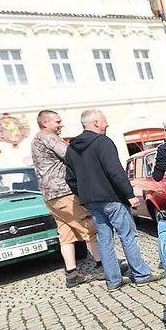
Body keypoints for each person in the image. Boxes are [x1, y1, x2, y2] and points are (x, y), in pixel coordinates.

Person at [65, 109, 163, 291]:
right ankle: (141, 274)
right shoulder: (102, 142)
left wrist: (85, 195)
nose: (107, 124)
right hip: (112, 198)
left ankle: (113, 280)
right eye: (104, 121)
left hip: (92, 201)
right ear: (95, 123)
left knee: (104, 239)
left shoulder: (71, 148)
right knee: (127, 236)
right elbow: (115, 171)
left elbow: (70, 179)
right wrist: (129, 194)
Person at [30, 110, 104, 288]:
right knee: (91, 228)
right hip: (63, 192)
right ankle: (103, 266)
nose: (60, 124)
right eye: (57, 122)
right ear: (45, 123)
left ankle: (71, 274)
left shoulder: (36, 139)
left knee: (66, 234)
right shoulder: (48, 137)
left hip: (50, 196)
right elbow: (71, 155)